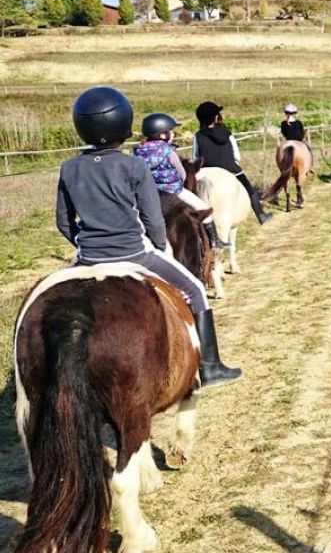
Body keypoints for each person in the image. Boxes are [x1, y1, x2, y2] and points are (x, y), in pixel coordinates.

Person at [56, 87, 242, 388]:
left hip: (87, 256)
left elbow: (63, 223)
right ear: (122, 127)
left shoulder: (69, 168)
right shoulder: (133, 165)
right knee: (194, 289)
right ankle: (210, 367)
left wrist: (85, 244)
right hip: (134, 253)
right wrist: (159, 246)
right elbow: (154, 220)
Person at [133, 113, 230, 249]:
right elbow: (182, 174)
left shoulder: (138, 151)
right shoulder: (169, 151)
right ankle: (214, 242)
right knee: (203, 208)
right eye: (170, 131)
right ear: (162, 135)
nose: (172, 134)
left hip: (147, 194)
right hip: (173, 191)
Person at [193, 101, 272, 225]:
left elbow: (195, 157)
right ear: (215, 117)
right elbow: (236, 155)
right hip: (230, 169)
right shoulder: (226, 132)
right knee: (249, 189)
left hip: (206, 169)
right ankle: (261, 215)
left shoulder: (198, 135)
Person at [281, 103, 313, 168]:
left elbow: (283, 133)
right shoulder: (299, 122)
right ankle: (310, 166)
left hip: (288, 141)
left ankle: (282, 167)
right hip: (299, 140)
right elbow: (301, 132)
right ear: (294, 114)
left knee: (280, 151)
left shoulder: (283, 123)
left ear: (286, 113)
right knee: (309, 149)